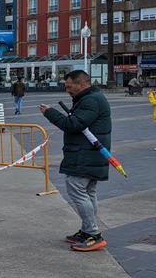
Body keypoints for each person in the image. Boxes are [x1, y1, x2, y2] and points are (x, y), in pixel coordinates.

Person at [39, 70, 112, 252]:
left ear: (82, 83)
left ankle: (93, 234)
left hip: (84, 154)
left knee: (78, 190)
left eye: (69, 86)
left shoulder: (91, 100)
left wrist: (50, 113)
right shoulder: (90, 98)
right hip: (88, 153)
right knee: (88, 192)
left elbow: (73, 125)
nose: (67, 90)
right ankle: (87, 231)